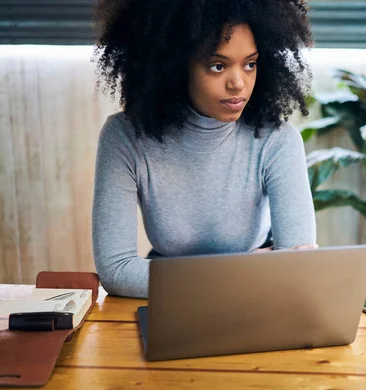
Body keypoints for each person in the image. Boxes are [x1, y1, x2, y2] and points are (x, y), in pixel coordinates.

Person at [92, 0, 317, 298]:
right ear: (174, 66)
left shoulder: (277, 140)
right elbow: (117, 271)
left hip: (248, 300)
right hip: (174, 303)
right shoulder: (124, 138)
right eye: (218, 66)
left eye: (250, 64)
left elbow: (299, 265)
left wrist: (190, 280)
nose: (238, 83)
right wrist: (240, 273)